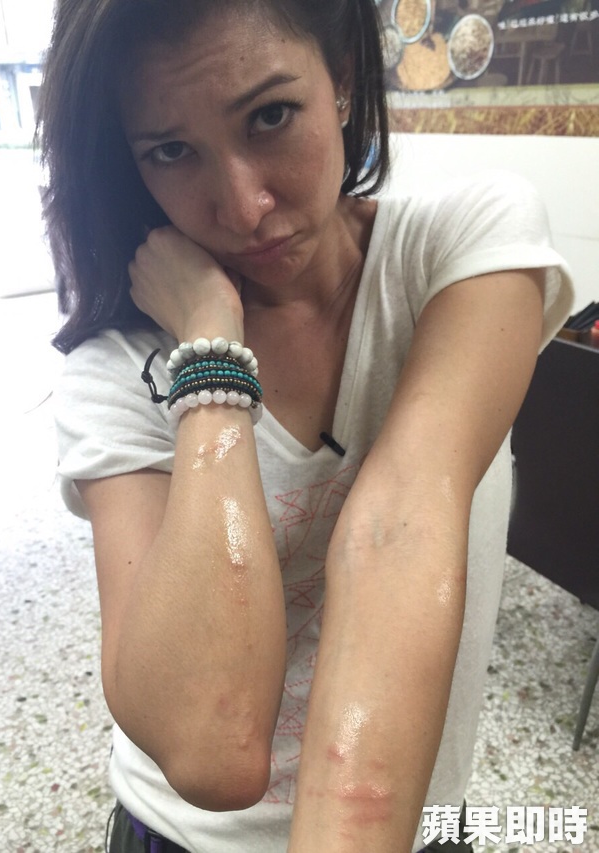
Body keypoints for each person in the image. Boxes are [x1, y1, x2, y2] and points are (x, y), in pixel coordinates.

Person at [38, 0, 574, 851]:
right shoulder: (115, 371)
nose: (244, 206)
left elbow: (397, 531)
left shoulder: (461, 248)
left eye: (270, 116)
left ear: (344, 81)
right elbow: (212, 746)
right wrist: (211, 350)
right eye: (171, 151)